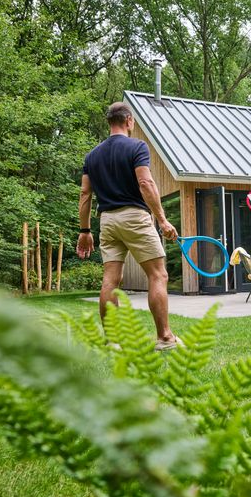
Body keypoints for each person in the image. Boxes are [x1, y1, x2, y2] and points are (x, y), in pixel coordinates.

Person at [76, 101, 182, 351]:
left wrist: (84, 231)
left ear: (109, 122)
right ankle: (165, 338)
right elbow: (145, 183)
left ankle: (112, 341)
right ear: (129, 121)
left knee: (110, 280)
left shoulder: (92, 155)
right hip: (134, 217)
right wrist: (163, 219)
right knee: (158, 275)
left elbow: (84, 194)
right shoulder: (137, 146)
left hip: (107, 221)